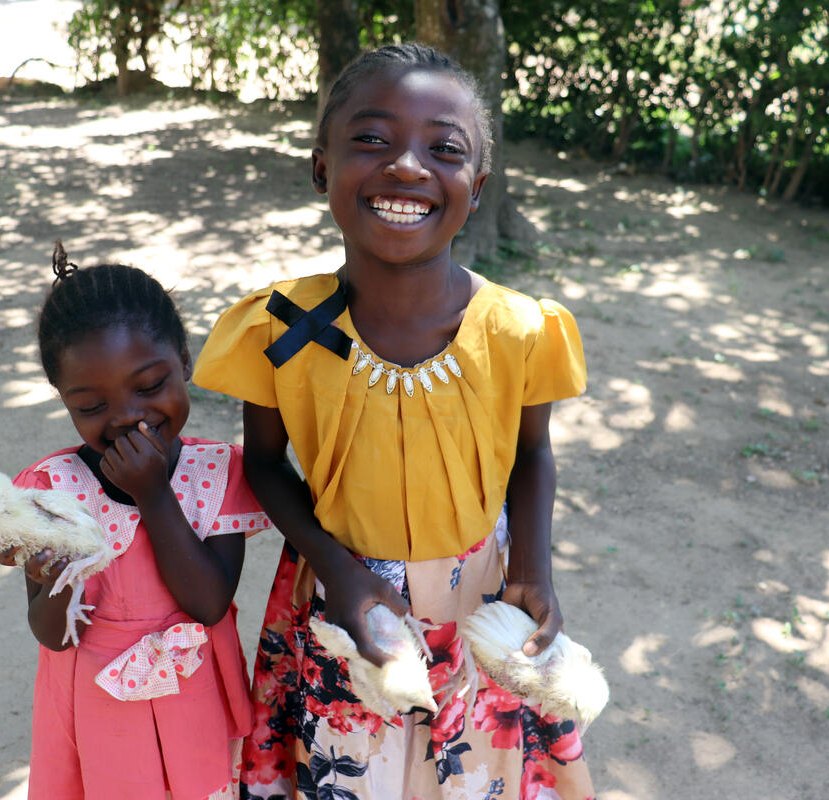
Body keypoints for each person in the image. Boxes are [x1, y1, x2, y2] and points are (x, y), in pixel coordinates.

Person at [193, 44, 596, 799]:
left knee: (472, 772)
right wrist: (338, 569)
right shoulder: (280, 325)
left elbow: (532, 453)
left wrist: (534, 568)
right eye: (372, 140)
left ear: (475, 190)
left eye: (442, 150)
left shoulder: (519, 330)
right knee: (348, 767)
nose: (407, 166)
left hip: (478, 600)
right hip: (341, 598)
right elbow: (264, 464)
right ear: (322, 168)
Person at [0, 242, 271, 800]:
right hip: (98, 709)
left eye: (148, 387)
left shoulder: (216, 473)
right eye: (91, 407)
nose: (126, 417)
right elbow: (51, 635)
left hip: (193, 697)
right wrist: (55, 584)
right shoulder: (50, 494)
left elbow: (209, 603)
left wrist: (152, 494)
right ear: (63, 399)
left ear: (184, 360)